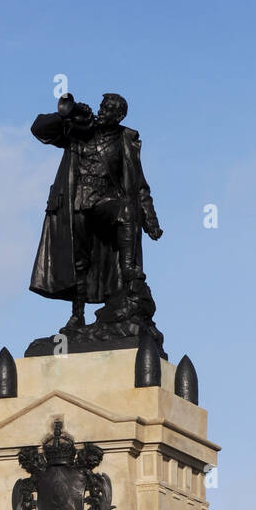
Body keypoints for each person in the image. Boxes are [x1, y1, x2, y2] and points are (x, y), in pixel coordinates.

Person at [29, 93, 162, 333]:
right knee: (79, 261)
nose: (102, 111)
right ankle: (77, 315)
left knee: (125, 211)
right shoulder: (80, 130)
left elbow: (139, 185)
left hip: (106, 201)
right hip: (76, 201)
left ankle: (130, 273)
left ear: (120, 115)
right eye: (102, 106)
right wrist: (66, 116)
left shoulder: (125, 140)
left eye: (109, 109)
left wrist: (150, 220)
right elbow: (39, 129)